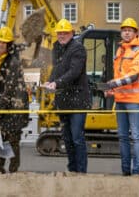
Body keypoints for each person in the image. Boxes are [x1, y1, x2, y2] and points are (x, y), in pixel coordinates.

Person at [43, 19, 90, 173]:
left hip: (77, 100)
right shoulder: (57, 48)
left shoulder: (78, 49)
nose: (61, 35)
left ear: (72, 33)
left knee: (77, 138)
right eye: (59, 33)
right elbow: (57, 69)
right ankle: (72, 169)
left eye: (65, 33)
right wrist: (49, 82)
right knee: (68, 139)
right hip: (63, 101)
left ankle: (81, 172)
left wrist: (56, 83)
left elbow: (74, 72)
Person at [104, 17, 139, 176]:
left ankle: (136, 172)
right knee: (122, 137)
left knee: (136, 136)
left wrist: (113, 84)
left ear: (136, 33)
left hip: (135, 101)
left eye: (130, 30)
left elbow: (134, 76)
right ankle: (125, 171)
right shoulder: (120, 50)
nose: (127, 32)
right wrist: (113, 91)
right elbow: (121, 76)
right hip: (121, 100)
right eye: (124, 30)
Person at [0, 26, 29, 174]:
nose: (0, 45)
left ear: (9, 45)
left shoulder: (13, 63)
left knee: (12, 139)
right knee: (0, 137)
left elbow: (9, 89)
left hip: (14, 106)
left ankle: (13, 171)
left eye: (4, 43)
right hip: (3, 105)